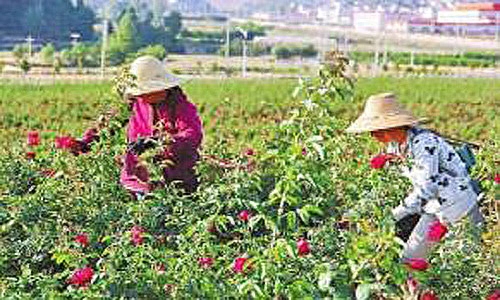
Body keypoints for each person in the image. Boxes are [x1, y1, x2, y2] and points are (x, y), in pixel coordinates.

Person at [346, 93, 483, 260]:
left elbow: (427, 188)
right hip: (435, 210)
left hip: (460, 209)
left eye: (376, 131)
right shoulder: (397, 148)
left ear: (391, 128)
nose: (374, 137)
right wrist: (357, 213)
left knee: (464, 263)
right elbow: (388, 185)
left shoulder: (423, 143)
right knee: (410, 259)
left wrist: (392, 216)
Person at [72, 56, 203, 195]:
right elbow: (107, 125)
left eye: (145, 90)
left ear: (162, 87)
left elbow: (192, 136)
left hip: (175, 180)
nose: (142, 95)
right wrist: (83, 143)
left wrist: (158, 142)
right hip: (136, 178)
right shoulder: (134, 102)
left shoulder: (182, 107)